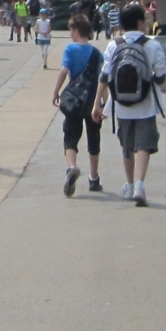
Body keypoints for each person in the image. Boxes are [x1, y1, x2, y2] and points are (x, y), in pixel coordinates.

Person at [94, 3, 166, 207]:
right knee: (144, 144)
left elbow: (104, 76)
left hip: (121, 104)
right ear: (139, 22)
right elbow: (161, 78)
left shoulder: (114, 45)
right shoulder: (152, 45)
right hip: (146, 103)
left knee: (127, 146)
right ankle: (139, 185)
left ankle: (128, 185)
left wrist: (97, 104)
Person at [52, 15, 104, 196]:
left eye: (71, 30)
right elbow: (102, 80)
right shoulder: (97, 53)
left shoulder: (70, 49)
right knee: (94, 138)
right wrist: (103, 104)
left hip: (74, 102)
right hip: (93, 102)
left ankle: (72, 167)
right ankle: (94, 178)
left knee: (70, 137)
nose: (70, 34)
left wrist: (56, 91)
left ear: (75, 31)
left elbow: (64, 70)